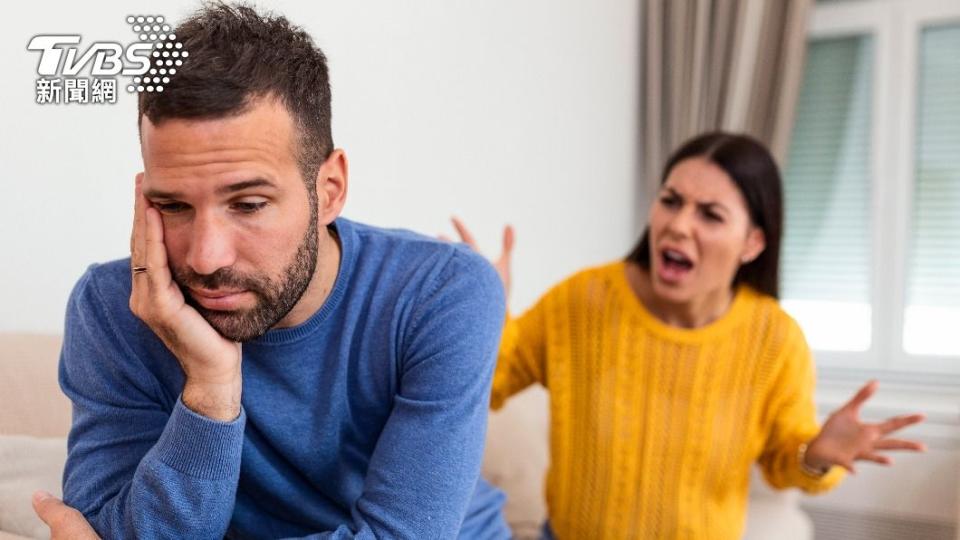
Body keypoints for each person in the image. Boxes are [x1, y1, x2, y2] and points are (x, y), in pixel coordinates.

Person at [35, 4, 512, 539]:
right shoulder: (112, 309)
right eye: (173, 206)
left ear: (328, 190)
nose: (205, 258)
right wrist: (211, 390)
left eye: (248, 204)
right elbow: (108, 530)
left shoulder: (443, 292)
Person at [452, 132, 926, 539]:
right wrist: (481, 313)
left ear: (753, 242)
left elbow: (786, 463)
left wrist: (818, 454)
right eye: (671, 201)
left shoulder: (776, 340)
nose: (678, 225)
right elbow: (491, 382)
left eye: (711, 215)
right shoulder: (583, 300)